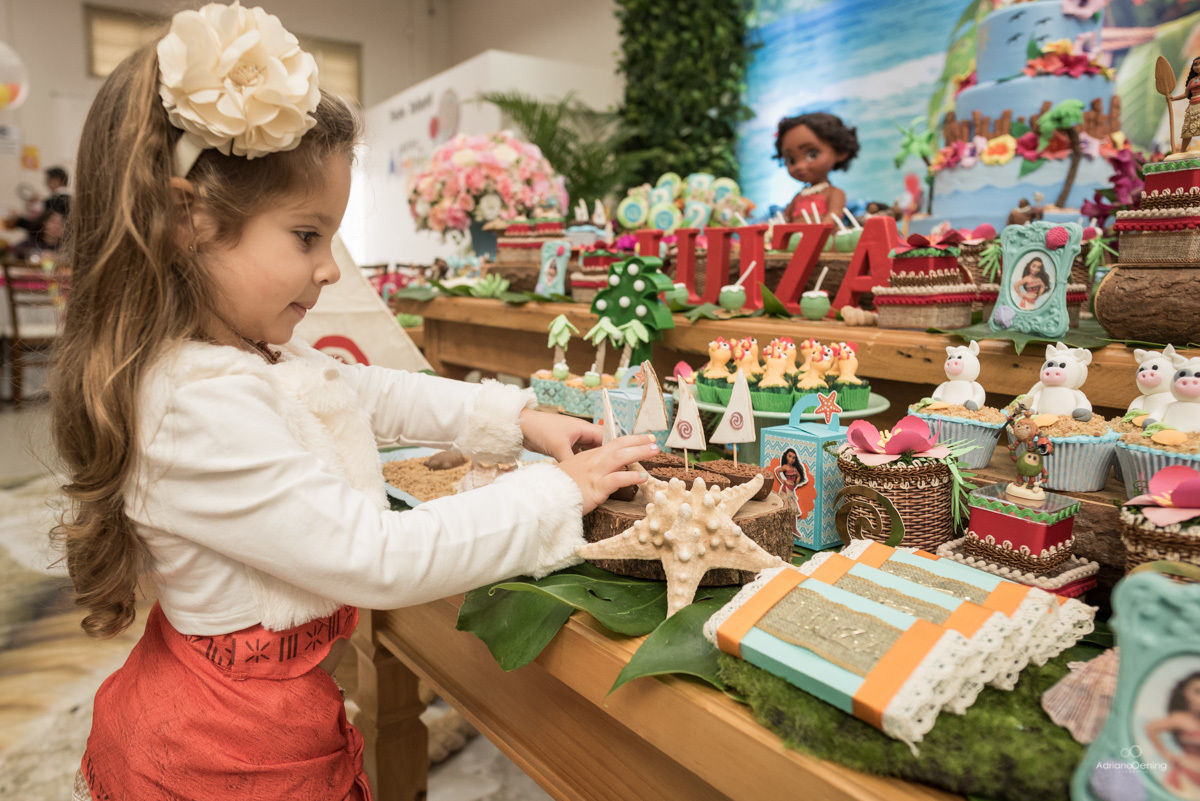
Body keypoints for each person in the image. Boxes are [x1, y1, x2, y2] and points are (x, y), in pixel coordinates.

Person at [51, 6, 657, 801]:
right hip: (220, 751)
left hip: (265, 711)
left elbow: (369, 389)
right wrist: (556, 492)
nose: (330, 268)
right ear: (184, 218)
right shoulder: (189, 405)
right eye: (307, 235)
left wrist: (518, 418)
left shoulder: (240, 354)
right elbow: (377, 555)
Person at [774, 112, 860, 226]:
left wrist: (819, 233)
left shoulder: (834, 193)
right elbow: (785, 218)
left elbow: (834, 215)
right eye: (791, 160)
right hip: (796, 241)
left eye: (812, 154)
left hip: (825, 241)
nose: (800, 166)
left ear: (840, 151)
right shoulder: (798, 197)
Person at [1146, 671, 1200, 799]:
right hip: (1184, 777)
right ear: (1186, 695)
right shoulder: (1180, 719)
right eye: (1197, 692)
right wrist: (1166, 754)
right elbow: (1151, 728)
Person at [7, 165, 70, 255]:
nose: (47, 185)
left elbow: (39, 226)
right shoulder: (70, 200)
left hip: (51, 249)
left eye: (47, 181)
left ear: (56, 180)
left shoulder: (54, 201)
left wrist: (18, 220)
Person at [1172, 56, 1200, 153]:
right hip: (1192, 106)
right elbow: (1186, 94)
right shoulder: (1192, 81)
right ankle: (1182, 151)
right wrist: (1172, 99)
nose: (1197, 67)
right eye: (1195, 65)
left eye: (1199, 64)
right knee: (1187, 131)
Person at [773, 448, 808, 519]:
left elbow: (799, 476)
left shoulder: (794, 469)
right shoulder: (785, 467)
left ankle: (793, 526)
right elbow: (777, 471)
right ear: (786, 456)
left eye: (793, 458)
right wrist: (781, 480)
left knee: (792, 507)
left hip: (791, 489)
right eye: (790, 456)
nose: (791, 459)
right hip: (786, 489)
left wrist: (795, 484)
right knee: (786, 505)